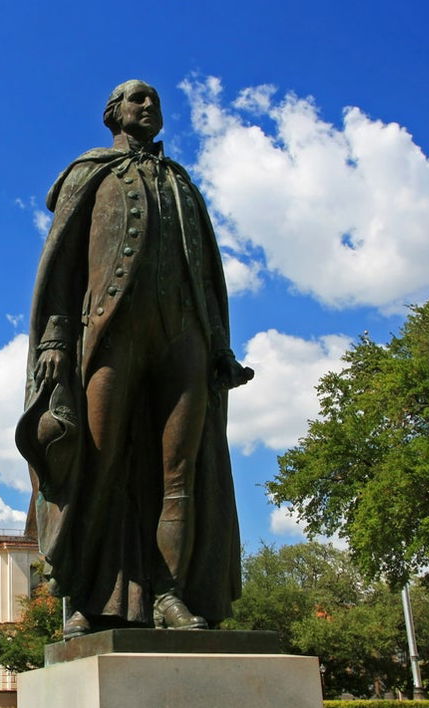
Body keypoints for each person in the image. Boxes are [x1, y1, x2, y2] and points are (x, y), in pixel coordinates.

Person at [16, 79, 253, 638]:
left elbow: (207, 274)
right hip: (111, 335)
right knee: (93, 465)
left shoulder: (182, 185)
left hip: (184, 338)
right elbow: (62, 263)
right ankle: (84, 593)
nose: (149, 106)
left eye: (155, 100)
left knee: (181, 474)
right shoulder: (90, 173)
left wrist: (218, 344)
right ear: (113, 113)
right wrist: (54, 338)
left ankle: (172, 595)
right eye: (136, 98)